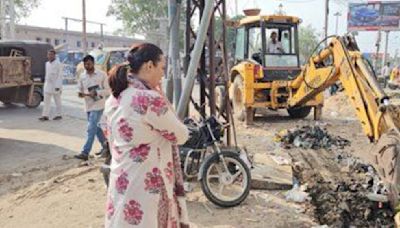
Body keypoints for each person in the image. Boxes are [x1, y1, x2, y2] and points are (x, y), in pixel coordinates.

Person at [103, 43, 190, 227]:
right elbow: (181, 135)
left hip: (121, 180)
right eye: (162, 68)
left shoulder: (114, 98)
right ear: (149, 66)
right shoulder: (149, 99)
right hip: (146, 185)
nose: (163, 74)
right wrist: (162, 98)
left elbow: (110, 139)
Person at [74, 55, 110, 161]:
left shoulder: (102, 74)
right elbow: (79, 89)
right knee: (96, 128)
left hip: (99, 105)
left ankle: (85, 152)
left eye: (89, 63)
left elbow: (108, 90)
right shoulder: (82, 76)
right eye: (85, 64)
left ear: (93, 63)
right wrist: (80, 94)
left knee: (91, 128)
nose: (87, 66)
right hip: (88, 106)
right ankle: (106, 147)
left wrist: (97, 92)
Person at [39, 50, 63, 121]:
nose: (49, 56)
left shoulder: (58, 64)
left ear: (54, 55)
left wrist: (58, 86)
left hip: (56, 85)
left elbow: (60, 76)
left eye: (51, 55)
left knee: (57, 101)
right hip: (48, 85)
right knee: (46, 102)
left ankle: (59, 115)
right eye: (48, 55)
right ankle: (45, 115)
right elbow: (47, 75)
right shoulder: (47, 64)